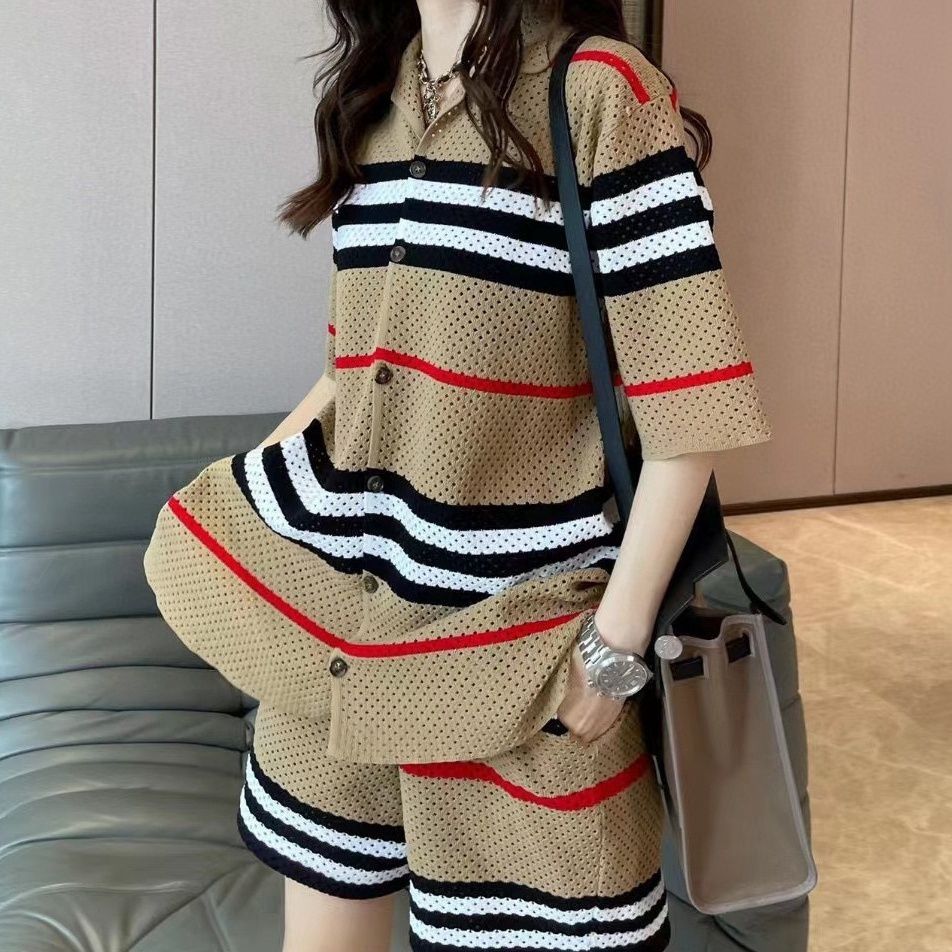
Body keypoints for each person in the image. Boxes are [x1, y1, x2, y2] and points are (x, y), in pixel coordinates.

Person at [142, 1, 773, 950]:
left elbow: (693, 415)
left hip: (519, 660)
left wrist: (611, 657)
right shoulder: (373, 101)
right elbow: (348, 371)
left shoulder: (601, 94)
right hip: (342, 640)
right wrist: (255, 505)